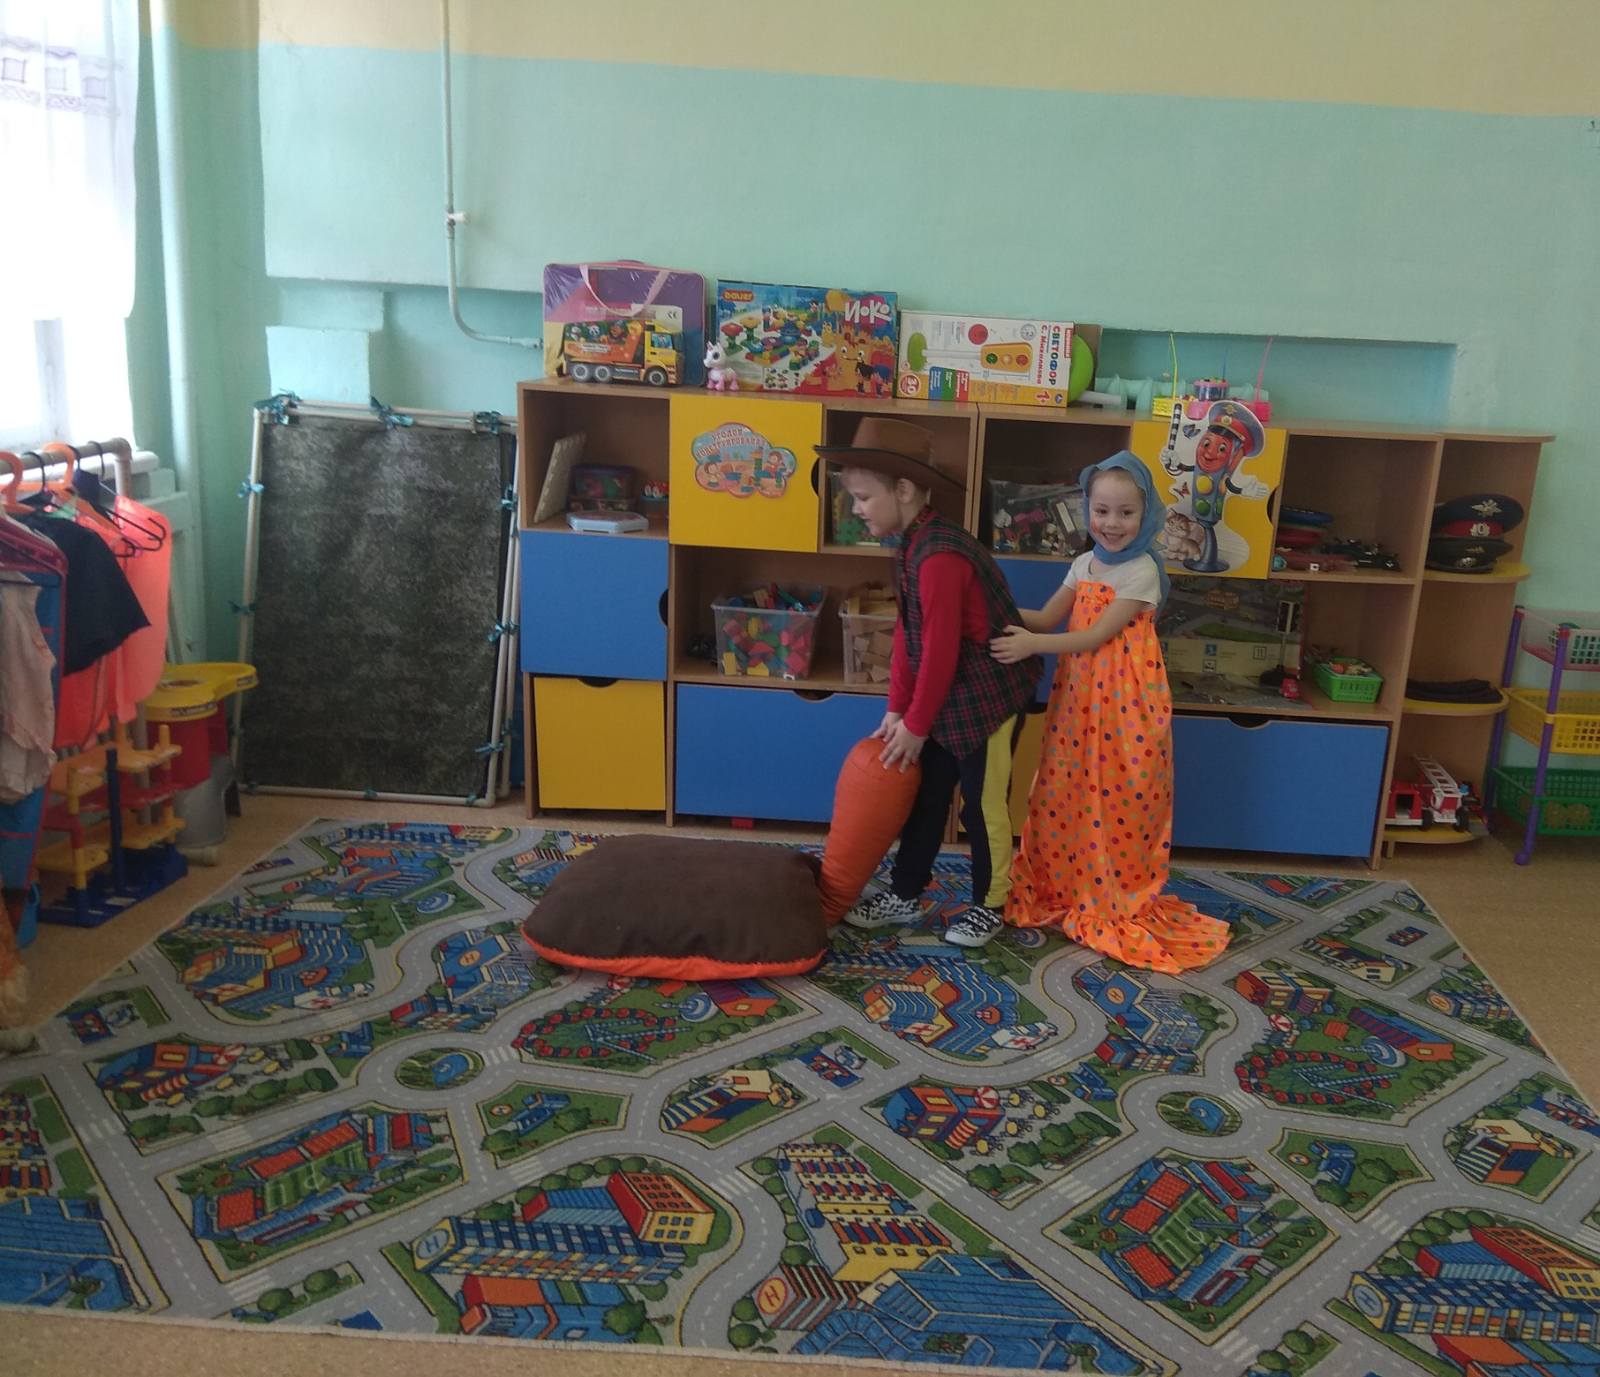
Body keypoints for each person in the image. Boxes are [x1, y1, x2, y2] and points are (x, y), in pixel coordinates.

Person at [990, 451, 1229, 971]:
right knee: (1068, 788)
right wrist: (991, 610)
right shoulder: (1084, 564)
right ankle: (1070, 884)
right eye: (1101, 511)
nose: (1111, 523)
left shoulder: (1140, 571)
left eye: (1125, 512)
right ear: (1087, 509)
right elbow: (1047, 618)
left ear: (1147, 515)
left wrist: (1031, 645)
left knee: (1120, 793)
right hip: (1080, 700)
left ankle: (1111, 892)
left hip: (1126, 703)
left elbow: (1095, 635)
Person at [821, 417, 1042, 948]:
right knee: (926, 794)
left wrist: (917, 724)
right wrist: (898, 710)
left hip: (988, 698)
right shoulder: (910, 544)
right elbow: (909, 633)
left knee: (981, 805)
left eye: (863, 497)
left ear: (903, 490)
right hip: (947, 694)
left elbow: (941, 648)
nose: (856, 509)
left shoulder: (941, 555)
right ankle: (905, 891)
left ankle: (990, 904)